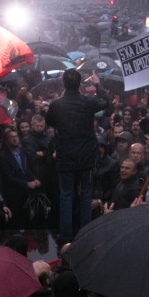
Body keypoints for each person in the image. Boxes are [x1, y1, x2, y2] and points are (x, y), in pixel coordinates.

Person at [46, 68, 105, 243]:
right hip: (86, 156)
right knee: (85, 194)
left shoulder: (56, 105)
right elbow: (105, 102)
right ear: (80, 83)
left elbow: (50, 122)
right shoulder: (88, 102)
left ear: (63, 83)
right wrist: (97, 83)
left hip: (65, 156)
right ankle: (85, 236)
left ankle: (66, 238)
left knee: (66, 195)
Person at [0, 129, 40, 225]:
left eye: (16, 136)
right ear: (6, 140)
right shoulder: (2, 155)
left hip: (25, 192)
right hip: (13, 193)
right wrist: (26, 184)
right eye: (12, 137)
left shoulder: (21, 151)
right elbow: (8, 177)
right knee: (15, 220)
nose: (15, 139)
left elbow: (26, 169)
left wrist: (34, 178)